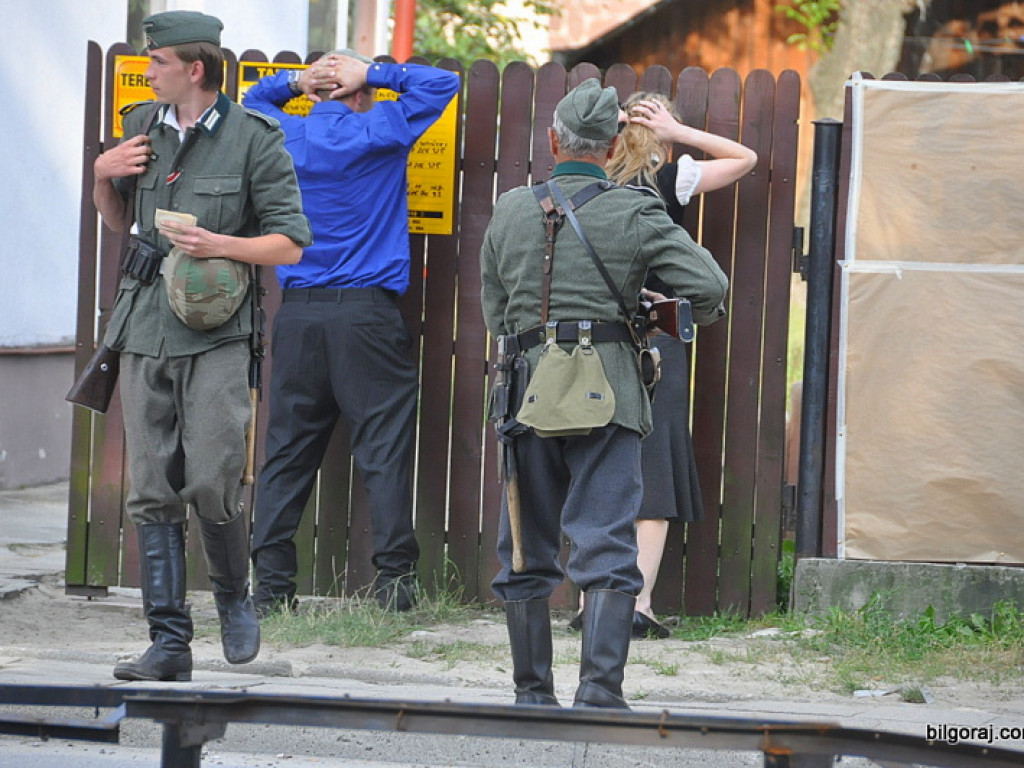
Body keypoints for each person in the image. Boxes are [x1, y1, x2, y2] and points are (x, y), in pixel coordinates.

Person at [479, 79, 729, 709]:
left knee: (525, 546)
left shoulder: (510, 208)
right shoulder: (635, 209)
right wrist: (648, 304)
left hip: (525, 393)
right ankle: (598, 691)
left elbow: (494, 310)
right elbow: (709, 287)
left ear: (554, 139)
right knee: (608, 541)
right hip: (610, 394)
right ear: (615, 142)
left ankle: (532, 693)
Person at [92, 11, 312, 682]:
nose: (147, 69)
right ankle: (169, 643)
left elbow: (291, 242)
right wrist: (102, 175)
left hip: (217, 333)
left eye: (157, 61)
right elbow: (122, 221)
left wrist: (221, 245)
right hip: (144, 326)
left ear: (194, 68)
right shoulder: (139, 126)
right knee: (151, 489)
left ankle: (232, 600)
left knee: (214, 479)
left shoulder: (253, 139)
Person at [242, 52, 460, 615]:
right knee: (384, 450)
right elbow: (443, 83)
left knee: (286, 451)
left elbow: (251, 101)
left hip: (299, 315)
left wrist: (295, 80)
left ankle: (270, 591)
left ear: (316, 96)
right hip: (368, 314)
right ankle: (393, 587)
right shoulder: (381, 129)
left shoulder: (284, 134)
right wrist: (375, 73)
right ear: (359, 93)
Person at [571, 92, 758, 639]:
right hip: (657, 338)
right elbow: (744, 159)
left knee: (594, 463)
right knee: (651, 469)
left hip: (590, 340)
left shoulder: (586, 180)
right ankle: (638, 603)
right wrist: (682, 133)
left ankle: (593, 601)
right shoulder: (669, 178)